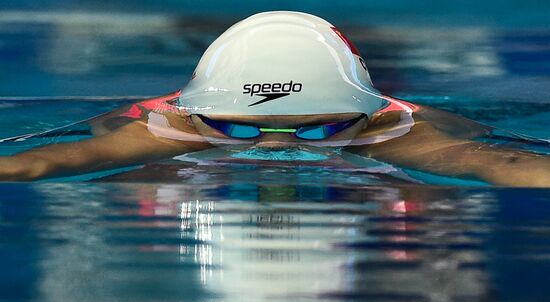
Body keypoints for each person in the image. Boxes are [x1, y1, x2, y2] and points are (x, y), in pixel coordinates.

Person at [0, 11, 549, 186]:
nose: (277, 147)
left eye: (319, 130)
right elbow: (47, 160)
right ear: (193, 112)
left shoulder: (395, 131)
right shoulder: (170, 128)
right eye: (239, 129)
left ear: (371, 114)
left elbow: (504, 163)